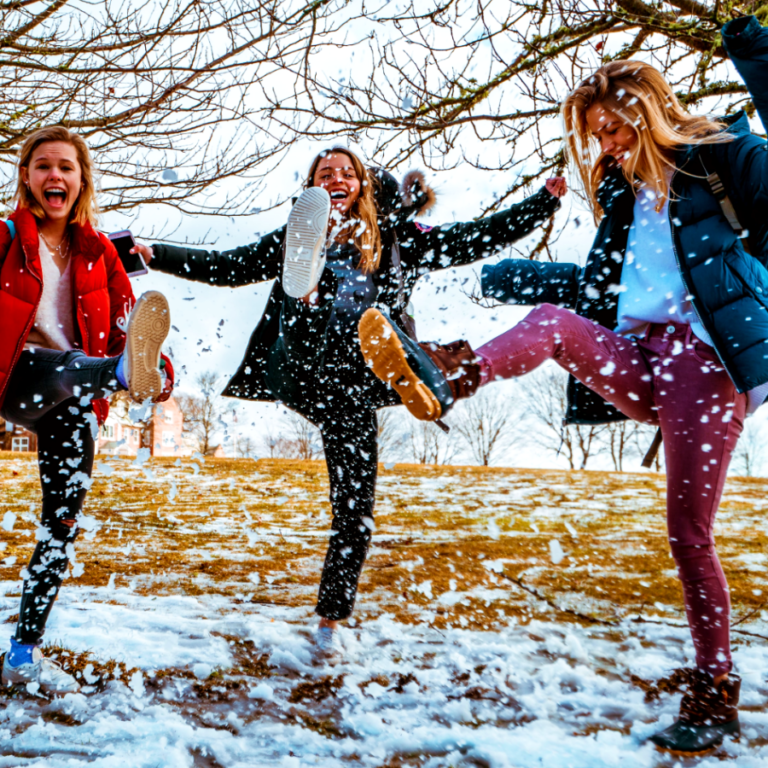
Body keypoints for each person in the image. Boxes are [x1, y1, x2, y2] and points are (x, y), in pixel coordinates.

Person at [359, 15, 768, 754]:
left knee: (687, 534)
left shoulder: (723, 161)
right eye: (599, 137)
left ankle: (715, 691)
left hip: (706, 370)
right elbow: (599, 294)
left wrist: (756, 50)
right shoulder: (624, 205)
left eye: (615, 130)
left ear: (648, 112)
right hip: (644, 360)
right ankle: (449, 379)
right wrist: (509, 276)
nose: (608, 148)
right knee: (550, 319)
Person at [132, 146, 566, 657]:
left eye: (346, 173)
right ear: (312, 190)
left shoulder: (399, 238)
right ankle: (316, 293)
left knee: (355, 507)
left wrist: (540, 204)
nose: (337, 178)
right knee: (313, 294)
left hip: (360, 380)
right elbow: (230, 266)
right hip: (311, 368)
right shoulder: (294, 234)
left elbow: (469, 238)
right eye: (324, 174)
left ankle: (330, 620)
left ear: (362, 183)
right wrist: (157, 254)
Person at [0, 126, 174, 695]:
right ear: (26, 177)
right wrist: (116, 370)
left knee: (63, 520)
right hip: (14, 377)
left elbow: (136, 324)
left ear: (81, 181)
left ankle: (24, 650)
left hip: (71, 395)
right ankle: (114, 374)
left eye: (66, 167)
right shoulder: (3, 237)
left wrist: (160, 373)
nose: (55, 175)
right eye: (44, 165)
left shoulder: (99, 254)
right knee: (72, 364)